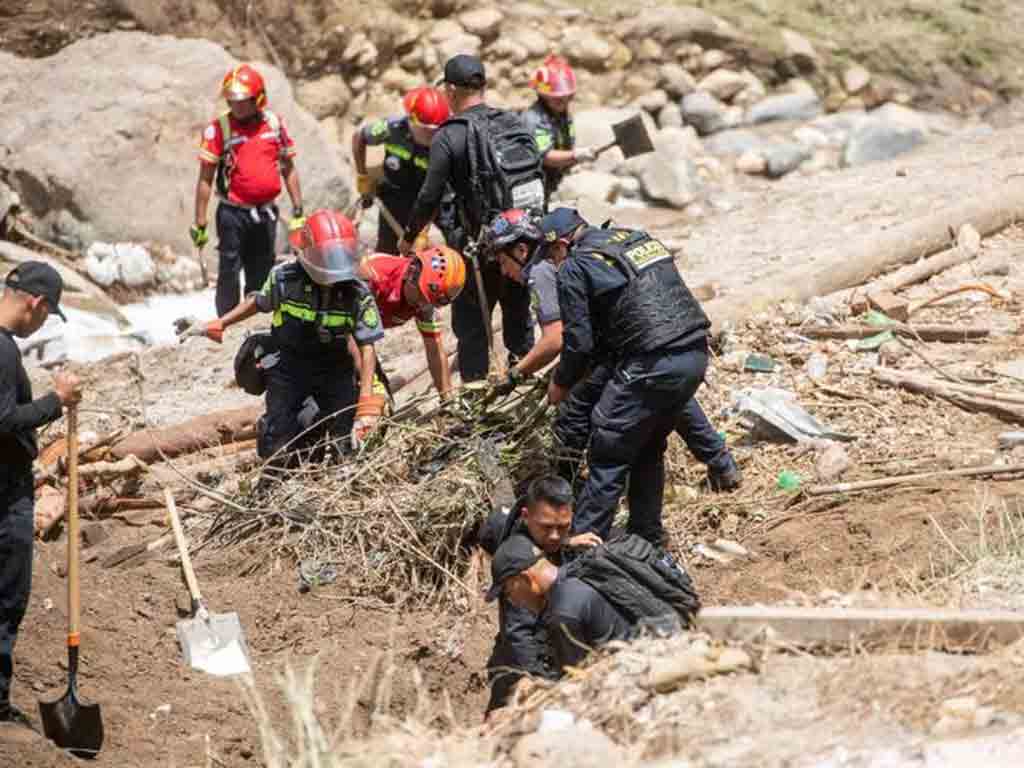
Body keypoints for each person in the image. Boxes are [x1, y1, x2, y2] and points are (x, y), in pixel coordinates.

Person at [488, 209, 741, 493]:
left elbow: (556, 338)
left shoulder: (539, 271)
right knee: (672, 395)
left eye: (501, 261)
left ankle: (567, 492)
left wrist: (518, 375)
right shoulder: (590, 247)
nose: (502, 271)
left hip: (614, 344)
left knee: (574, 412)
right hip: (646, 336)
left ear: (520, 249)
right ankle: (721, 463)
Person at [542, 209, 712, 544]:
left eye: (551, 255)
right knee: (647, 442)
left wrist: (560, 384)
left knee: (609, 446)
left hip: (651, 361)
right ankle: (647, 535)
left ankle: (586, 548)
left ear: (561, 244)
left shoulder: (575, 266)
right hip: (696, 349)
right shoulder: (634, 237)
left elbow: (578, 342)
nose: (553, 262)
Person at [183, 209, 383, 463]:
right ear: (308, 252)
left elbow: (367, 347)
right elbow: (258, 302)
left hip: (334, 368)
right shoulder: (285, 279)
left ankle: (330, 456)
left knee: (347, 440)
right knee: (277, 446)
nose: (333, 265)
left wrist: (366, 404)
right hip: (290, 367)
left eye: (338, 256)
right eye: (326, 257)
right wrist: (218, 324)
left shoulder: (357, 292)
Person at [398, 54, 535, 382]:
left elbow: (429, 195)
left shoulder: (450, 134)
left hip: (478, 248)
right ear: (483, 86)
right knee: (519, 315)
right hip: (521, 243)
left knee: (472, 326)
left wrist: (409, 236)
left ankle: (476, 398)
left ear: (450, 90)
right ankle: (527, 382)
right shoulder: (514, 123)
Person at [0, 262, 81, 728]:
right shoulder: (1, 351)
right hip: (5, 493)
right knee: (7, 598)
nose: (44, 323)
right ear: (37, 303)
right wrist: (57, 401)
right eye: (49, 315)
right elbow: (4, 420)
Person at [479, 475, 601, 715]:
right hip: (519, 670)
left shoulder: (552, 541)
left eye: (563, 526)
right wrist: (543, 685)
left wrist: (568, 541)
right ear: (525, 517)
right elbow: (519, 634)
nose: (555, 535)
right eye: (547, 527)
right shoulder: (520, 563)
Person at [193, 64, 305, 316]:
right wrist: (199, 222)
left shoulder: (274, 124)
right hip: (233, 213)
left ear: (258, 99)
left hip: (266, 213)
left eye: (242, 101)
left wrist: (298, 209)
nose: (236, 106)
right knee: (229, 270)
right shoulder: (218, 129)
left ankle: (257, 317)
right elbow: (205, 178)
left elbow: (288, 167)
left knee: (263, 268)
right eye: (232, 101)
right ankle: (226, 321)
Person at [487, 532, 631, 676]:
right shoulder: (580, 571)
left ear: (525, 579)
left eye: (508, 591)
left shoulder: (563, 614)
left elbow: (576, 683)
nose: (512, 600)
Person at [352, 86, 452, 255]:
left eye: (435, 131)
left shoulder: (447, 141)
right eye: (426, 131)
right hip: (395, 195)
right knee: (387, 250)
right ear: (411, 121)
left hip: (431, 199)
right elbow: (359, 137)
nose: (431, 136)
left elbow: (440, 190)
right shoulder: (392, 128)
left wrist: (422, 231)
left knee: (453, 240)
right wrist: (363, 177)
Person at [357, 246, 466, 398]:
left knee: (383, 404)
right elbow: (353, 339)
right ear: (412, 274)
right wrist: (369, 388)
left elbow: (434, 350)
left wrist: (447, 399)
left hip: (362, 341)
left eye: (429, 303)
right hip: (338, 332)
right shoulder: (372, 279)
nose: (422, 306)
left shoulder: (426, 299)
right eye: (422, 298)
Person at [520, 55, 598, 202]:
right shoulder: (534, 119)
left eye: (566, 97)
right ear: (543, 95)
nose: (562, 101)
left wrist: (572, 163)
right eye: (556, 98)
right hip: (535, 186)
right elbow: (546, 157)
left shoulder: (562, 115)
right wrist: (576, 156)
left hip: (555, 179)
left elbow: (566, 143)